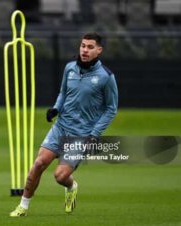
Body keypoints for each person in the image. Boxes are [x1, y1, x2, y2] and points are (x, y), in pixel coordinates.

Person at [10, 32, 118, 217]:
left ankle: (71, 186)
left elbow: (111, 109)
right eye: (83, 45)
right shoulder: (69, 68)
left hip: (81, 135)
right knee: (38, 164)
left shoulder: (106, 77)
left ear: (99, 50)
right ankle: (23, 207)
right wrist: (56, 108)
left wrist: (95, 134)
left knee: (60, 176)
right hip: (60, 127)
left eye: (90, 47)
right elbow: (63, 92)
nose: (85, 50)